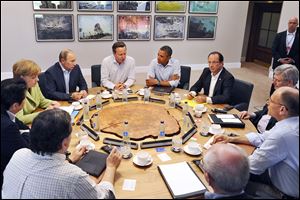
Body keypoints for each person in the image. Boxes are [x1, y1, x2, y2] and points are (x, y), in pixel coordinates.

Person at [2, 109, 122, 198]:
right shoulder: (73, 177)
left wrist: (69, 160)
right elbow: (107, 197)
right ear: (65, 144)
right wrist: (111, 167)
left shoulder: (18, 154)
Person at [212, 87, 299, 199]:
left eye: (271, 101)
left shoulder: (283, 135)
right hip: (277, 174)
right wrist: (231, 138)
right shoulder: (290, 124)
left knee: (227, 182)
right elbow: (263, 137)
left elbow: (252, 166)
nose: (267, 103)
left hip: (283, 193)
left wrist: (218, 158)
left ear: (282, 109)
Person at [239, 64, 298, 133]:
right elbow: (266, 110)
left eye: (278, 80)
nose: (273, 82)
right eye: (274, 79)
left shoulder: (294, 101)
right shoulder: (278, 90)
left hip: (265, 134)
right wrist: (252, 114)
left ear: (289, 82)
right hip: (255, 124)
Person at [1, 78, 30, 187]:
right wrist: (25, 134)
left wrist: (24, 132)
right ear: (15, 106)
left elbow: (23, 126)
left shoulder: (6, 111)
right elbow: (26, 149)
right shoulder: (7, 127)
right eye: (24, 98)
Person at [13, 59, 60, 124]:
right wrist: (42, 114)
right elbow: (20, 119)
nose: (37, 79)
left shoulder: (34, 85)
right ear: (22, 78)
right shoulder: (15, 92)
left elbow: (41, 100)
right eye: (33, 77)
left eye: (37, 76)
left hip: (35, 121)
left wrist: (53, 103)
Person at [270, 17, 299, 95]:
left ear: (297, 24)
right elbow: (273, 50)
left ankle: (285, 100)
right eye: (290, 22)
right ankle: (272, 98)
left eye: (294, 23)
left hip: (292, 66)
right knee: (276, 83)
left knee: (288, 84)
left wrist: (293, 60)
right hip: (279, 65)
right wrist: (280, 59)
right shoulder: (279, 35)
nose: (292, 25)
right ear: (288, 23)